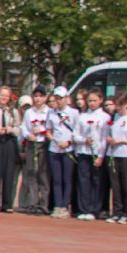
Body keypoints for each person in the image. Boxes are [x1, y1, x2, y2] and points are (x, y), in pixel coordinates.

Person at [74, 90, 111, 221]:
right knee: (84, 180)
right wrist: (84, 140)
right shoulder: (82, 116)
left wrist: (101, 155)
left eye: (95, 100)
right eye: (90, 101)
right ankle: (83, 208)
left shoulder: (105, 117)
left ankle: (95, 209)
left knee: (97, 181)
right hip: (84, 151)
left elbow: (104, 138)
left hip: (97, 153)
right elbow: (75, 134)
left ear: (100, 100)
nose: (92, 103)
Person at [106, 92, 127, 225]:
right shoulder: (114, 117)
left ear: (126, 104)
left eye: (120, 105)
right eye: (116, 105)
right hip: (114, 154)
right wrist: (110, 139)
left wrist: (122, 141)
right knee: (116, 185)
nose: (118, 108)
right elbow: (109, 133)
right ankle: (117, 211)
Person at [46, 87, 79, 217]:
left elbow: (77, 131)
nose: (58, 101)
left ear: (67, 98)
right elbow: (48, 130)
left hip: (68, 149)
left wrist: (69, 142)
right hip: (54, 149)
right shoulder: (51, 113)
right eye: (57, 98)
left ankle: (65, 205)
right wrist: (53, 140)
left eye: (61, 98)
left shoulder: (74, 113)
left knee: (67, 179)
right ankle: (58, 205)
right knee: (57, 179)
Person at [18, 87, 51, 215]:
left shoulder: (49, 112)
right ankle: (32, 203)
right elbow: (24, 128)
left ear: (45, 98)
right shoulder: (29, 112)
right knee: (31, 174)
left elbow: (50, 127)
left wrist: (42, 131)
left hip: (43, 144)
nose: (38, 99)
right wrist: (28, 135)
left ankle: (43, 204)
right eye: (36, 96)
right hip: (32, 144)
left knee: (43, 175)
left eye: (40, 96)